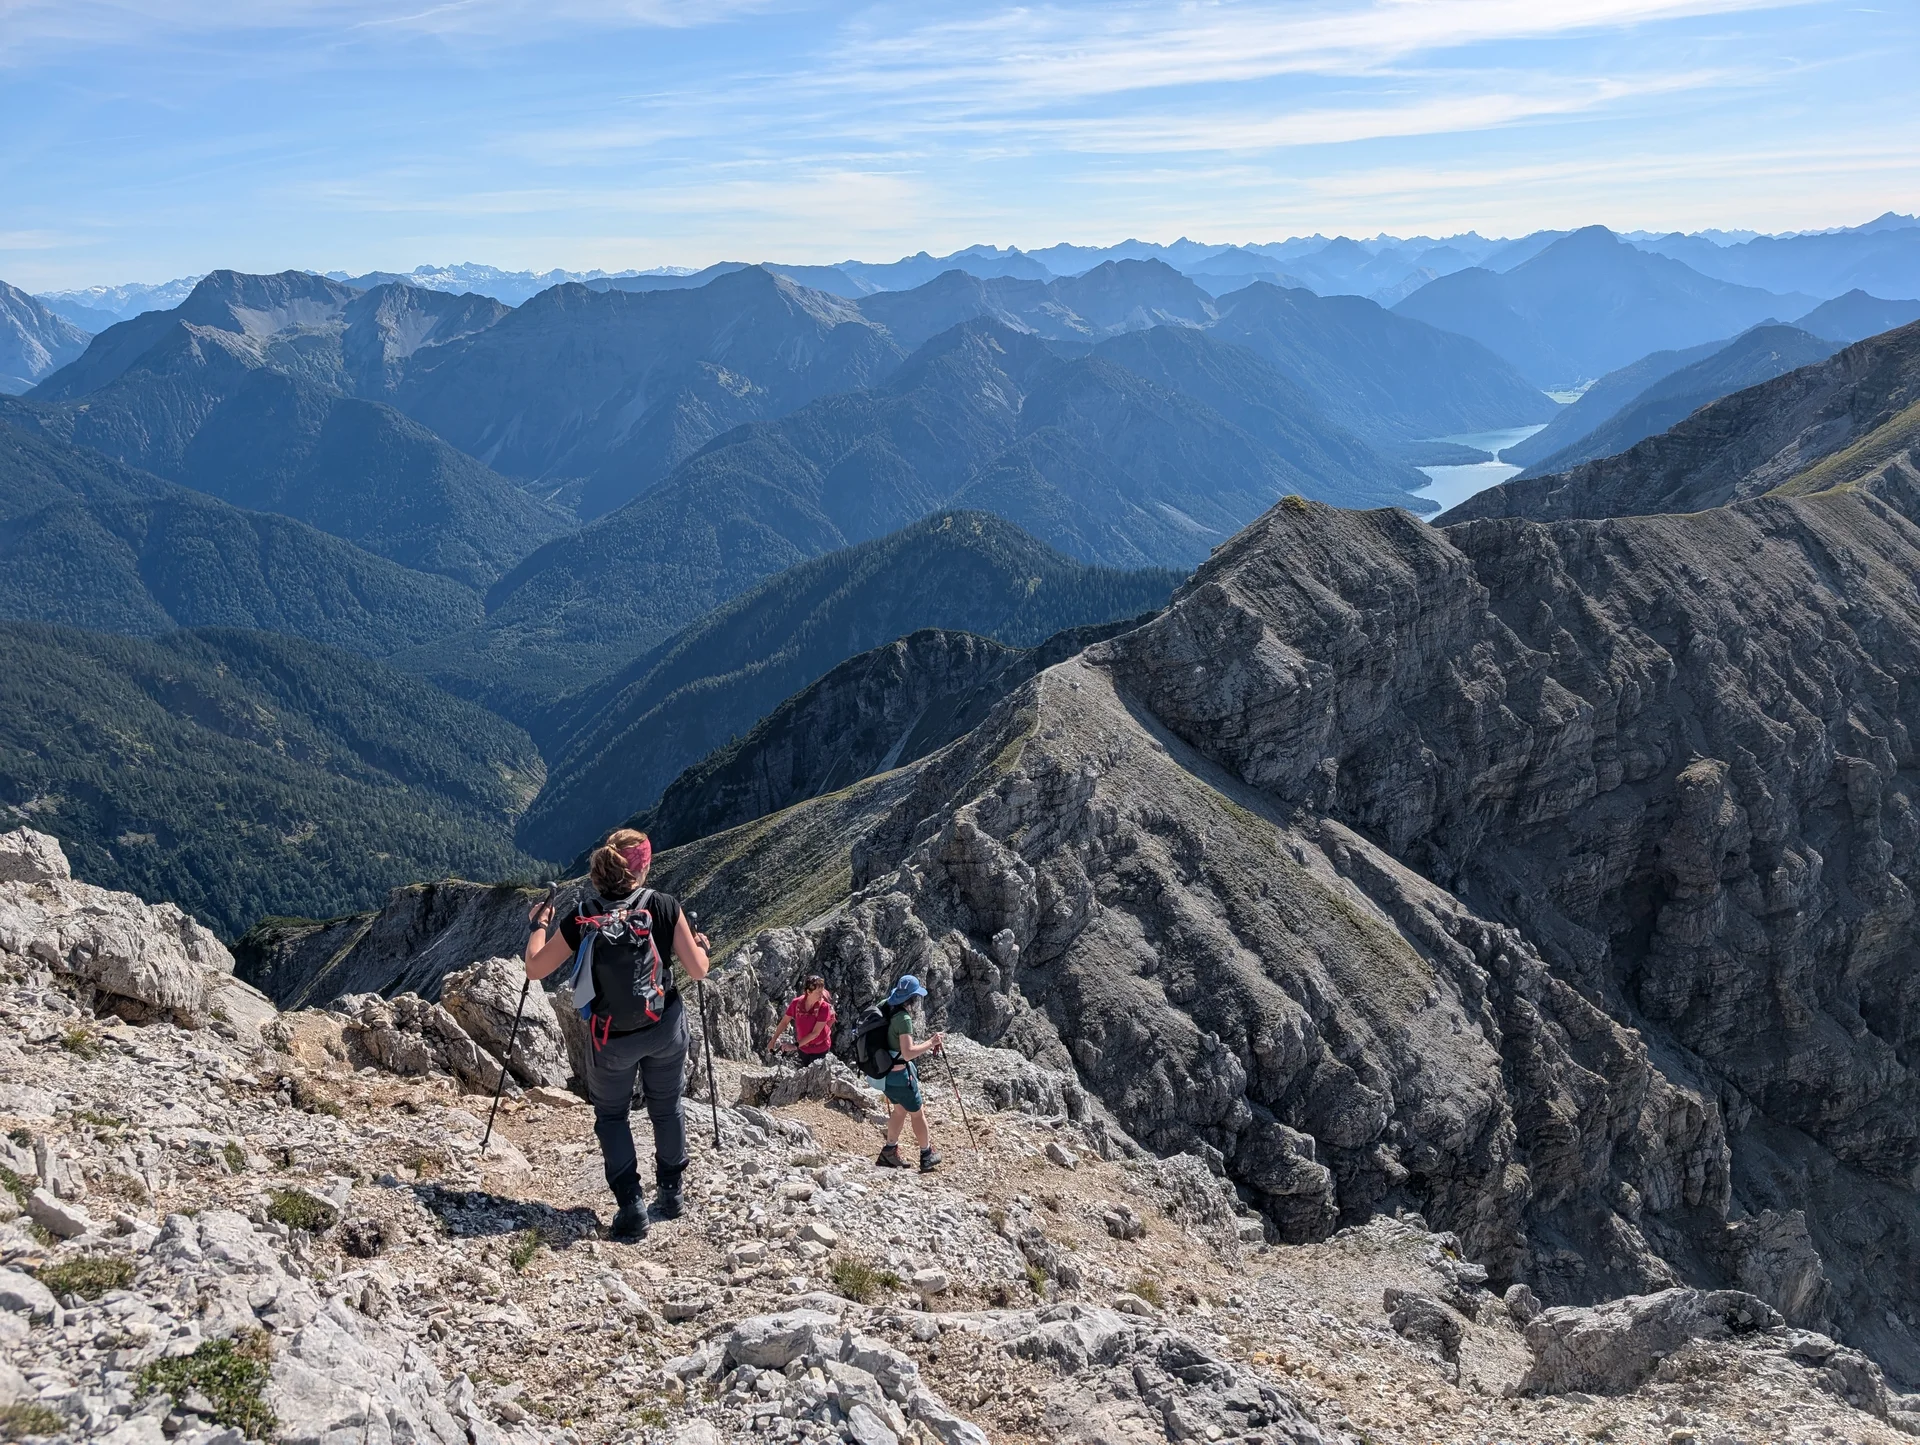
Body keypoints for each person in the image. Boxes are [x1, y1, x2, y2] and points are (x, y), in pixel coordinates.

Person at [523, 827, 709, 1241]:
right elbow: (697, 970)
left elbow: (535, 968)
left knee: (612, 1116)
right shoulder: (663, 905)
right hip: (663, 1028)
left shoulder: (584, 914)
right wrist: (702, 947)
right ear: (643, 865)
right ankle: (672, 1193)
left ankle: (631, 1207)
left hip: (610, 1039)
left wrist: (538, 925)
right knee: (667, 1105)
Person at [875, 974, 944, 1173]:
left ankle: (889, 1150)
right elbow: (907, 1053)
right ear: (912, 998)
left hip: (885, 1075)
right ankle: (926, 1154)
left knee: (899, 1110)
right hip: (901, 1077)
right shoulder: (903, 1018)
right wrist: (931, 1042)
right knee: (917, 1113)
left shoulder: (885, 1005)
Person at [776, 975, 835, 1060]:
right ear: (809, 992)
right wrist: (774, 1038)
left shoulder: (824, 1007)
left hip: (820, 1050)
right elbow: (784, 1022)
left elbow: (815, 1033)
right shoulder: (796, 1003)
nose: (821, 995)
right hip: (803, 1048)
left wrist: (793, 1046)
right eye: (818, 992)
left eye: (822, 991)